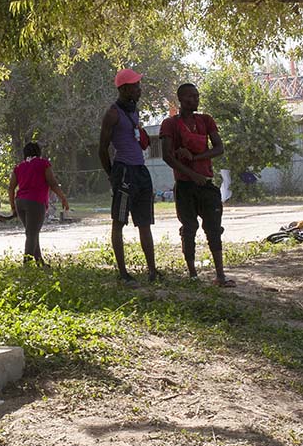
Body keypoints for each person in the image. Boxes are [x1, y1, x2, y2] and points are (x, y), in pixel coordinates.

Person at [160, 83, 234, 286]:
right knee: (189, 227)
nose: (195, 100)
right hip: (185, 185)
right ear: (181, 100)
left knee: (214, 227)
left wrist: (195, 157)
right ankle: (192, 274)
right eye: (191, 97)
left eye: (197, 96)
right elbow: (167, 156)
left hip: (206, 183)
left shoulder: (205, 120)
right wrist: (192, 174)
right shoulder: (170, 124)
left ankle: (220, 275)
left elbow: (219, 148)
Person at [98, 68, 158, 284]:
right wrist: (112, 174)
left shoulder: (133, 111)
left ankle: (152, 270)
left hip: (140, 170)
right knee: (119, 222)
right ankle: (123, 273)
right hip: (124, 170)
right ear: (123, 89)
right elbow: (102, 148)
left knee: (144, 222)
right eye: (135, 86)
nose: (139, 89)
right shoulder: (113, 113)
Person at [9, 142, 69, 265]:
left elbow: (11, 188)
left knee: (32, 232)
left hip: (20, 202)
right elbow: (52, 183)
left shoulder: (19, 167)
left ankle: (39, 261)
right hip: (36, 202)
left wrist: (13, 207)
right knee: (32, 233)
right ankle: (27, 265)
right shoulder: (43, 164)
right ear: (38, 152)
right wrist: (63, 198)